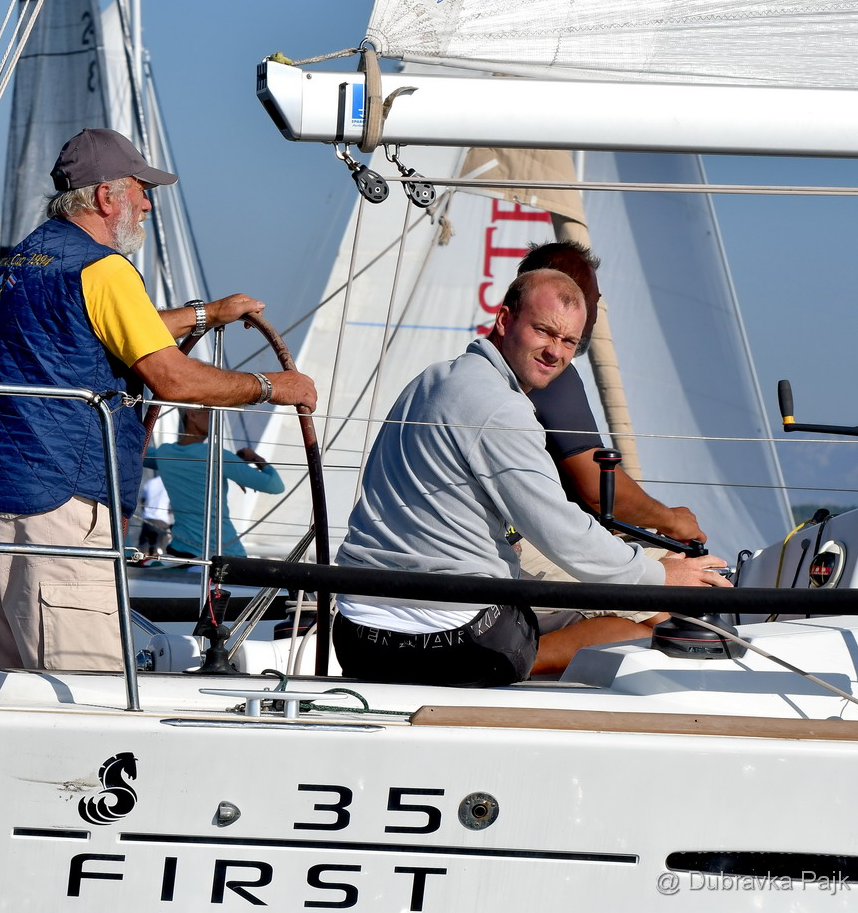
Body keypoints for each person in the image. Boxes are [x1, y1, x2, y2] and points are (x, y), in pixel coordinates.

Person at [0, 128, 316, 673]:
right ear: (107, 196)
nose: (148, 204)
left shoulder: (25, 260)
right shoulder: (103, 269)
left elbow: (107, 328)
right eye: (141, 189)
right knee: (85, 688)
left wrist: (206, 314)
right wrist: (272, 387)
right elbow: (171, 379)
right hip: (61, 502)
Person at [332, 269, 730, 687]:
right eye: (544, 331)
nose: (555, 352)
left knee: (602, 609)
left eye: (569, 341)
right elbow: (561, 532)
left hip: (357, 633)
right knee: (632, 634)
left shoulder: (430, 380)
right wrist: (661, 577)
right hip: (453, 641)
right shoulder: (501, 407)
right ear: (505, 320)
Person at [504, 242, 708, 668]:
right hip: (529, 544)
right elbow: (598, 488)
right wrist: (672, 520)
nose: (596, 311)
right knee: (679, 613)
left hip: (536, 538)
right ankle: (507, 662)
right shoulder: (549, 374)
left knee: (665, 599)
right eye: (594, 298)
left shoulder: (509, 371)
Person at [145, 407, 284, 559]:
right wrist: (256, 458)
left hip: (181, 551)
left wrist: (232, 465)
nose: (218, 419)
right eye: (210, 413)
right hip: (224, 553)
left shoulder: (164, 453)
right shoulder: (217, 455)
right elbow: (275, 485)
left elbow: (137, 454)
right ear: (192, 415)